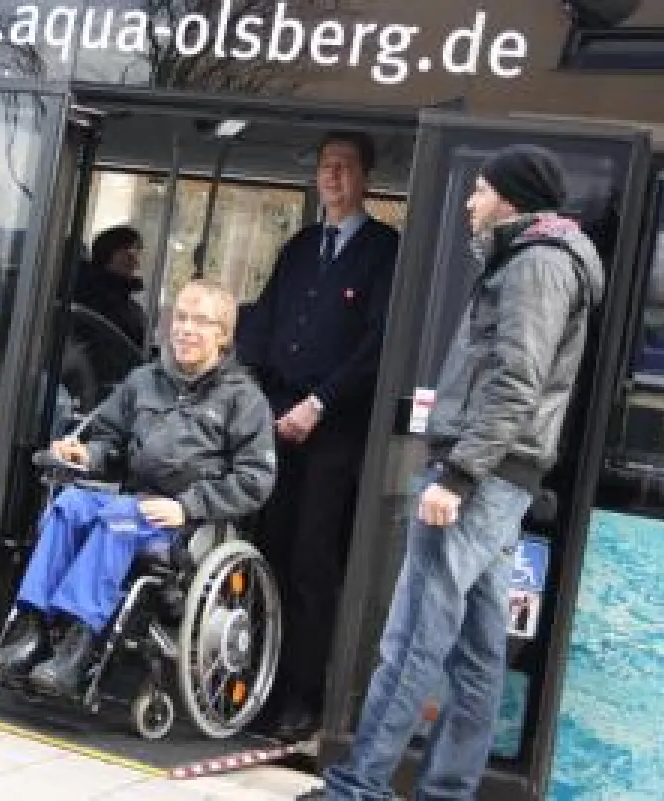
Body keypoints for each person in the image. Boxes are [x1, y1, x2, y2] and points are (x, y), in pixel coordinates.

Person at [301, 144, 603, 800]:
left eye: (480, 190)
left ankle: (357, 785)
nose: (469, 201)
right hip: (497, 476)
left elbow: (515, 381)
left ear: (512, 199)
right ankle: (446, 790)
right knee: (475, 653)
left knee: (412, 634)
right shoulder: (539, 260)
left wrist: (457, 477)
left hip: (480, 477)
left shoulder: (536, 266)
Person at [0, 280, 276, 697]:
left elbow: (255, 479)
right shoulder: (145, 380)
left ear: (223, 335)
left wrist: (187, 506)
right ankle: (30, 634)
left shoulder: (244, 400)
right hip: (132, 503)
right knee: (70, 504)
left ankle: (78, 651)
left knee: (118, 519)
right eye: (180, 317)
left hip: (186, 524)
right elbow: (110, 441)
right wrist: (86, 456)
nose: (185, 329)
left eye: (200, 321)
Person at [236, 131, 400, 740]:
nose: (331, 175)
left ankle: (303, 699)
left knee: (312, 563)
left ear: (365, 178)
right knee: (267, 552)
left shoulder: (385, 249)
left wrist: (319, 403)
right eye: (325, 164)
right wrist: (252, 393)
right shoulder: (302, 244)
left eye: (344, 166)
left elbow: (377, 347)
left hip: (334, 433)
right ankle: (256, 682)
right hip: (276, 424)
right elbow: (264, 320)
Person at [73, 224, 147, 348]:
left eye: (137, 255)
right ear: (108, 252)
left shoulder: (127, 303)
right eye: (129, 254)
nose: (135, 263)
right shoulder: (89, 295)